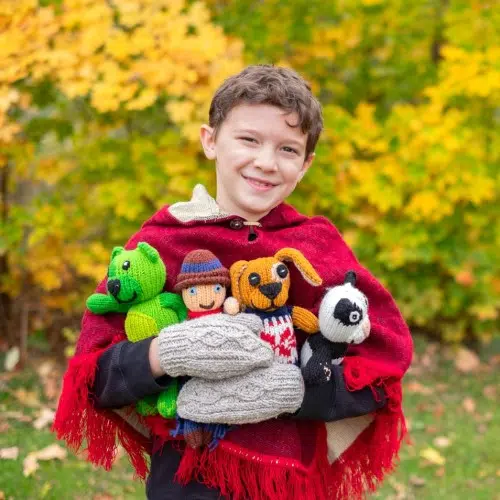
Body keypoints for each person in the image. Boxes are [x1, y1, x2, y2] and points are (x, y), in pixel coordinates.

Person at [53, 65, 413, 500]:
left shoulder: (316, 248)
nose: (266, 161)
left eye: (288, 149)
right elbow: (96, 376)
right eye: (248, 140)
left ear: (305, 165)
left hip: (290, 482)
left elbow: (383, 360)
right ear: (210, 140)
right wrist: (164, 353)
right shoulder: (161, 241)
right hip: (190, 477)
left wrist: (297, 391)